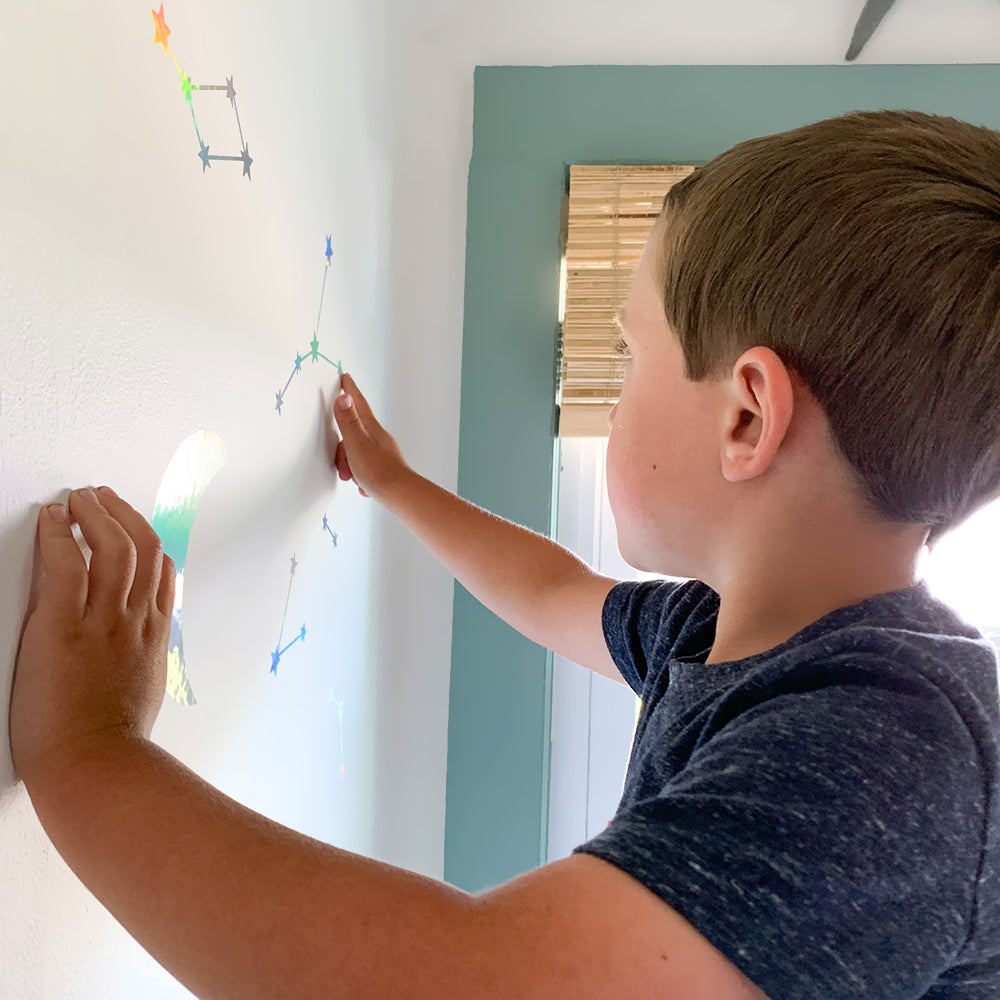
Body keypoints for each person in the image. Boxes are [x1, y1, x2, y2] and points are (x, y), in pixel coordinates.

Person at [9, 108, 1000, 999]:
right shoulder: (725, 631)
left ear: (746, 414)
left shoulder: (891, 747)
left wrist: (85, 752)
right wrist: (395, 484)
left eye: (627, 354)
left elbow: (469, 980)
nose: (613, 389)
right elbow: (552, 588)